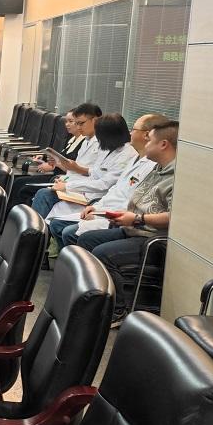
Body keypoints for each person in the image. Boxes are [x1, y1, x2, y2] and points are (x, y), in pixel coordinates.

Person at [77, 121, 179, 324]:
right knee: (86, 240)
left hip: (152, 237)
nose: (145, 144)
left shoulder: (177, 177)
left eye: (149, 140)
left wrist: (138, 219)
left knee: (103, 253)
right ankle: (97, 299)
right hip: (134, 227)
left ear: (163, 144)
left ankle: (118, 310)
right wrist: (113, 214)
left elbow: (175, 217)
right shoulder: (157, 169)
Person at [47, 114, 167, 249]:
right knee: (55, 218)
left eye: (133, 130)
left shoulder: (142, 161)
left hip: (116, 214)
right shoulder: (132, 157)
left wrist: (101, 212)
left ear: (147, 135)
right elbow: (114, 186)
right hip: (103, 205)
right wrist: (97, 207)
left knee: (67, 230)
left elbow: (125, 196)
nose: (130, 133)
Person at [32, 113, 136, 219]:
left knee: (47, 199)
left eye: (100, 135)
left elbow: (104, 184)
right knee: (45, 195)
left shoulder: (126, 155)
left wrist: (68, 186)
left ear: (110, 135)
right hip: (85, 193)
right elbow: (93, 173)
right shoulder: (108, 149)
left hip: (96, 199)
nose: (98, 139)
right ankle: (36, 226)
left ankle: (36, 227)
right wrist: (67, 181)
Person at [8, 109, 85, 209]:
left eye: (71, 121)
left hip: (60, 179)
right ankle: (9, 213)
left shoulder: (83, 143)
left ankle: (20, 215)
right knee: (18, 182)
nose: (67, 124)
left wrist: (54, 165)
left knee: (23, 186)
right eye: (66, 121)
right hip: (55, 175)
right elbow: (61, 157)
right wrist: (45, 158)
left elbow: (73, 168)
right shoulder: (72, 139)